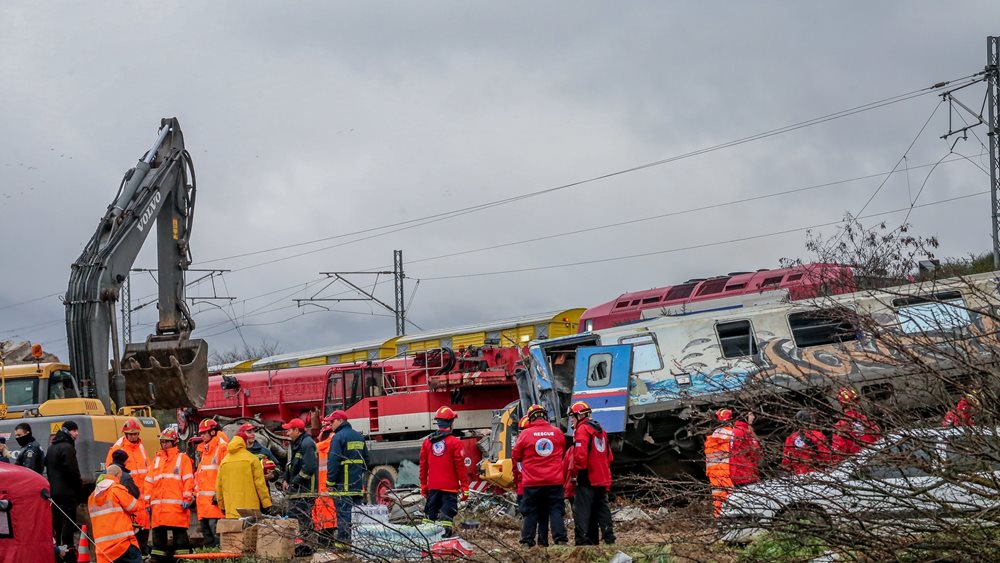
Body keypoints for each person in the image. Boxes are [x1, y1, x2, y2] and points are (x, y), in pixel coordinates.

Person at [511, 403, 568, 547]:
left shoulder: (525, 434)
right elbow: (562, 449)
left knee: (531, 512)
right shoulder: (557, 432)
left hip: (532, 482)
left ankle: (527, 542)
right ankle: (560, 539)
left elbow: (516, 455)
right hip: (554, 481)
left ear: (530, 419)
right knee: (555, 509)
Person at [419, 406, 470, 537]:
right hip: (450, 489)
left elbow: (423, 467)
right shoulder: (455, 443)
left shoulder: (427, 442)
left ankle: (427, 542)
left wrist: (424, 485)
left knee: (429, 517)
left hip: (433, 488)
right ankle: (445, 541)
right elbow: (460, 467)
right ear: (451, 423)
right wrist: (465, 487)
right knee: (447, 518)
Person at [568, 401, 614, 545]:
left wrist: (575, 474)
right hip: (602, 477)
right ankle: (609, 538)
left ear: (580, 415)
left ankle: (582, 541)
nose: (572, 420)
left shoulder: (582, 430)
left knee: (582, 510)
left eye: (573, 417)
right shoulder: (601, 430)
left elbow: (580, 457)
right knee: (602, 509)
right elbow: (610, 457)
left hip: (587, 476)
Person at [146, 428, 195, 563]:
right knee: (158, 540)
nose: (164, 445)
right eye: (162, 442)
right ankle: (157, 559)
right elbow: (149, 482)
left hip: (176, 507)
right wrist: (147, 501)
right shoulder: (157, 460)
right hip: (159, 508)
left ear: (174, 442)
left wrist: (187, 498)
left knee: (180, 539)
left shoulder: (182, 459)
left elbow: (188, 480)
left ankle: (182, 559)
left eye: (167, 442)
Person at [105, 420, 150, 553]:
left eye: (136, 434)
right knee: (130, 533)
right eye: (131, 434)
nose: (134, 437)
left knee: (143, 530)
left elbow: (148, 470)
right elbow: (111, 472)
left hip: (141, 497)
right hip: (127, 497)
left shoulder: (141, 447)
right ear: (125, 434)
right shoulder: (118, 448)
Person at [325, 410, 368, 543]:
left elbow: (333, 461)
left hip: (343, 485)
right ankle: (358, 541)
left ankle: (344, 543)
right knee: (356, 515)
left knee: (344, 514)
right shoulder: (359, 437)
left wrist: (330, 483)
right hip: (357, 485)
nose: (330, 425)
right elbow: (367, 460)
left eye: (332, 422)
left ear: (340, 421)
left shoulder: (338, 437)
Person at [88, 465, 143, 563]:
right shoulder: (116, 490)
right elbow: (134, 507)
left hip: (103, 549)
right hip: (122, 544)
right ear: (117, 476)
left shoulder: (92, 497)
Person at [47, 420, 84, 562]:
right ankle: (68, 551)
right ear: (67, 431)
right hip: (67, 492)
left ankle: (57, 551)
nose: (77, 433)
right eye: (74, 431)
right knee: (69, 521)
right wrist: (79, 489)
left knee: (57, 523)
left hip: (54, 491)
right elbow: (73, 471)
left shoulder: (52, 447)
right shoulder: (67, 448)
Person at [216, 426, 272, 519]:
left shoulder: (224, 461)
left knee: (234, 533)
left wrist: (222, 506)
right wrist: (266, 504)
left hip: (231, 511)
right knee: (250, 533)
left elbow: (219, 487)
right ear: (245, 442)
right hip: (250, 511)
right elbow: (260, 484)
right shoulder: (252, 459)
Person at [280, 417, 318, 545]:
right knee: (295, 519)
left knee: (302, 521)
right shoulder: (297, 443)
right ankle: (299, 544)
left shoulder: (307, 444)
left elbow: (309, 468)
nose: (287, 433)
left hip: (305, 491)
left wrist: (294, 482)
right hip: (297, 491)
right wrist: (286, 479)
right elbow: (292, 465)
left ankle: (305, 545)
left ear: (297, 430)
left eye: (289, 430)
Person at [194, 419, 228, 548]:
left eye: (204, 433)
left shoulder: (221, 448)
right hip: (204, 503)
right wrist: (195, 493)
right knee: (208, 538)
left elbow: (225, 474)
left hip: (214, 503)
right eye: (201, 433)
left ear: (213, 432)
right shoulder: (205, 450)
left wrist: (220, 494)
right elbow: (200, 475)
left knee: (216, 536)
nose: (201, 436)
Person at [831, 387, 881, 460]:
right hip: (877, 453)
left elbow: (839, 452)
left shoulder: (840, 426)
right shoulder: (863, 418)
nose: (858, 404)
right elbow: (878, 435)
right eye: (855, 401)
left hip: (862, 460)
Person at [312, 415, 337, 544]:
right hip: (333, 486)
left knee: (325, 521)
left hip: (323, 487)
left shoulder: (320, 446)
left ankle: (326, 544)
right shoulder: (337, 442)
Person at [782, 410, 832, 475]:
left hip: (799, 476)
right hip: (817, 474)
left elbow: (786, 461)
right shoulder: (818, 435)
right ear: (811, 420)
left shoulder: (790, 438)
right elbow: (826, 456)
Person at [730, 412, 762, 486]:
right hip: (745, 473)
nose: (753, 417)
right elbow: (754, 451)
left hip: (741, 472)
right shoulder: (743, 431)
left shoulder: (737, 430)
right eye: (750, 415)